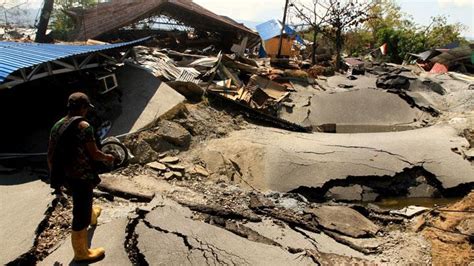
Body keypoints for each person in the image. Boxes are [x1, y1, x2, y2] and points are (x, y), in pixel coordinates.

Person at [47, 92, 115, 262]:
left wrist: (57, 175)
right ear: (83, 108)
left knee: (83, 200)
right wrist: (107, 157)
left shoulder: (57, 126)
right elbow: (94, 154)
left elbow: (50, 155)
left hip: (66, 174)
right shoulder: (84, 127)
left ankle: (92, 215)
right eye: (86, 108)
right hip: (81, 176)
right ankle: (81, 253)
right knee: (80, 213)